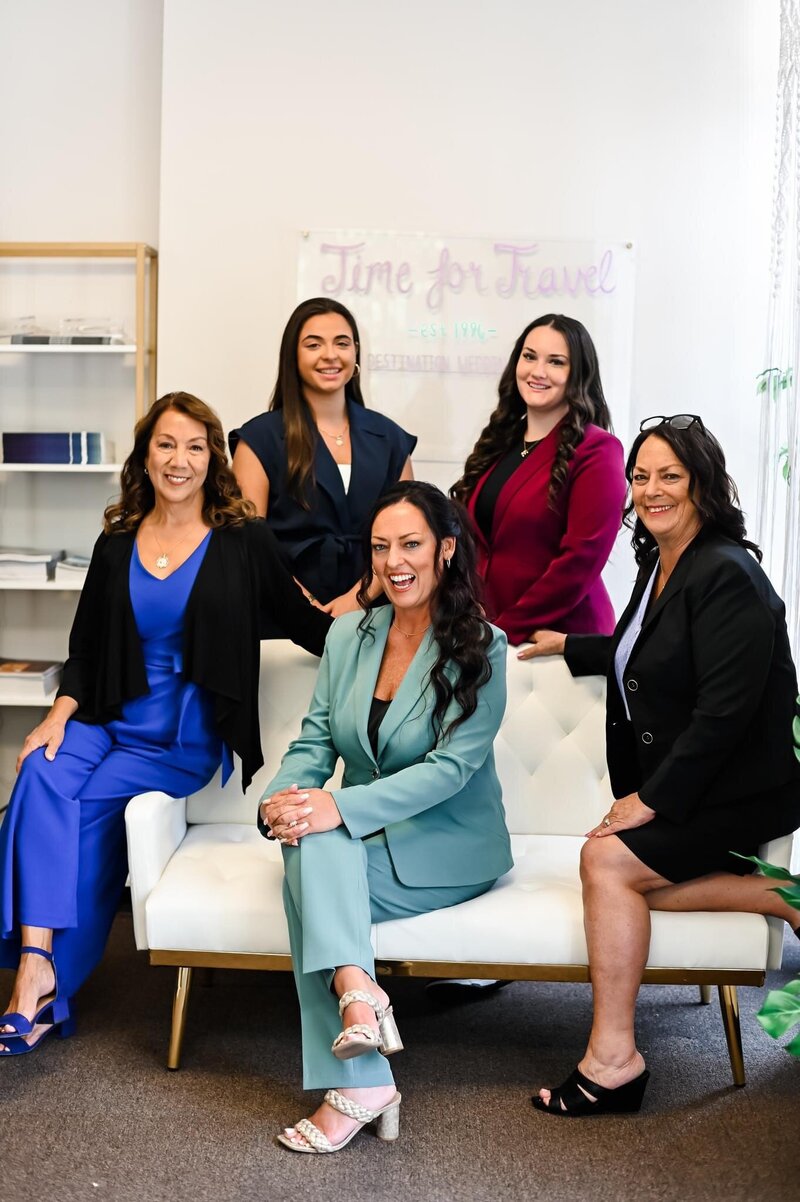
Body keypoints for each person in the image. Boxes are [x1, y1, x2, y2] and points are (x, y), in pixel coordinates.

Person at [0, 392, 331, 1057]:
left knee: (76, 813)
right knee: (39, 771)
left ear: (212, 459)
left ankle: (46, 987)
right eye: (166, 445)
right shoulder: (117, 540)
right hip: (105, 714)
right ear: (145, 456)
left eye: (195, 447)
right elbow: (86, 647)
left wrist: (395, 641)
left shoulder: (243, 540)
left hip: (177, 736)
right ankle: (36, 968)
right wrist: (56, 716)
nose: (180, 460)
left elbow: (307, 625)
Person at [520, 414, 800, 1116]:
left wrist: (651, 800)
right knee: (612, 873)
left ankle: (613, 1061)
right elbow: (643, 647)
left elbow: (725, 712)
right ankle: (778, 896)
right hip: (702, 787)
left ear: (702, 483)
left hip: (738, 792)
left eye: (669, 475)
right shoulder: (661, 561)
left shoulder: (727, 572)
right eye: (640, 477)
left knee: (606, 863)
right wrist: (572, 646)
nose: (651, 490)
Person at [259, 481, 512, 1153]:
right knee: (309, 840)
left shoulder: (483, 644)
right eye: (379, 547)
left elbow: (450, 770)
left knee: (312, 860)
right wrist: (283, 799)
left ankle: (360, 1056)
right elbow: (316, 740)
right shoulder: (349, 633)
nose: (393, 562)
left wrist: (335, 806)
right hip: (362, 832)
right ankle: (359, 1005)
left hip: (447, 842)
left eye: (410, 544)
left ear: (445, 549)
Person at [230, 298, 416, 620]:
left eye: (342, 343)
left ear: (355, 353)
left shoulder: (390, 438)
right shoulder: (259, 439)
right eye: (314, 344)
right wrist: (305, 606)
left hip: (378, 612)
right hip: (283, 618)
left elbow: (409, 535)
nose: (330, 355)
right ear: (293, 356)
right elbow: (249, 545)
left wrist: (359, 597)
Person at [451, 314, 626, 646]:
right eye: (529, 356)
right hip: (492, 634)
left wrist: (504, 629)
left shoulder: (598, 450)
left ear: (578, 373)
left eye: (556, 362)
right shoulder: (500, 442)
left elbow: (580, 560)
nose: (538, 371)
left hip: (558, 640)